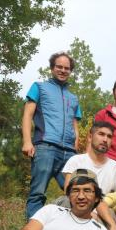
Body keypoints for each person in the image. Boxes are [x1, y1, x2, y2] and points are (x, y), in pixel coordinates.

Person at [22, 51, 82, 219]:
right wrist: (27, 142)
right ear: (52, 68)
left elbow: (74, 123)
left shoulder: (73, 98)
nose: (63, 70)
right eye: (59, 67)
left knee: (77, 194)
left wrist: (76, 142)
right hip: (45, 147)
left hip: (69, 153)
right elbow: (27, 115)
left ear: (70, 71)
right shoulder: (39, 87)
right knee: (38, 193)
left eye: (67, 68)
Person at [61, 121, 116, 195]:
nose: (105, 140)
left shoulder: (115, 167)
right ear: (90, 137)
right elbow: (68, 194)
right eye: (101, 134)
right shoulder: (76, 161)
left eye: (109, 136)